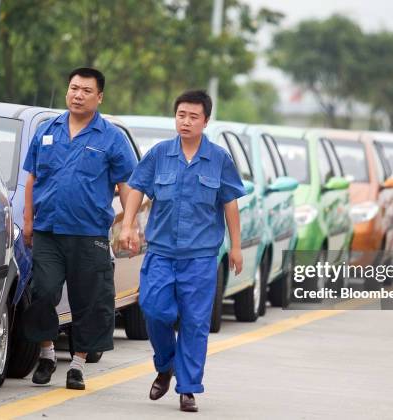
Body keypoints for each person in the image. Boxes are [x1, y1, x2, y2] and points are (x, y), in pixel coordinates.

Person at [120, 90, 246, 412]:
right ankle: (165, 365)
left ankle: (188, 388)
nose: (186, 121)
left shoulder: (219, 159)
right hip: (161, 252)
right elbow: (137, 188)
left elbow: (230, 202)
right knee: (153, 308)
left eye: (193, 116)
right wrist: (128, 224)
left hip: (201, 257)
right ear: (175, 117)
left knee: (194, 322)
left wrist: (236, 247)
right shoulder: (160, 154)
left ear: (205, 121)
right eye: (181, 115)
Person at [21, 67, 137, 390]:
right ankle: (46, 353)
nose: (78, 95)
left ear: (99, 96)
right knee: (43, 292)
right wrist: (28, 221)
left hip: (89, 235)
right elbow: (31, 178)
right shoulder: (48, 130)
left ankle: (78, 364)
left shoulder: (111, 137)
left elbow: (128, 183)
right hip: (48, 231)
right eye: (74, 88)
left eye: (86, 90)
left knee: (90, 300)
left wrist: (128, 225)